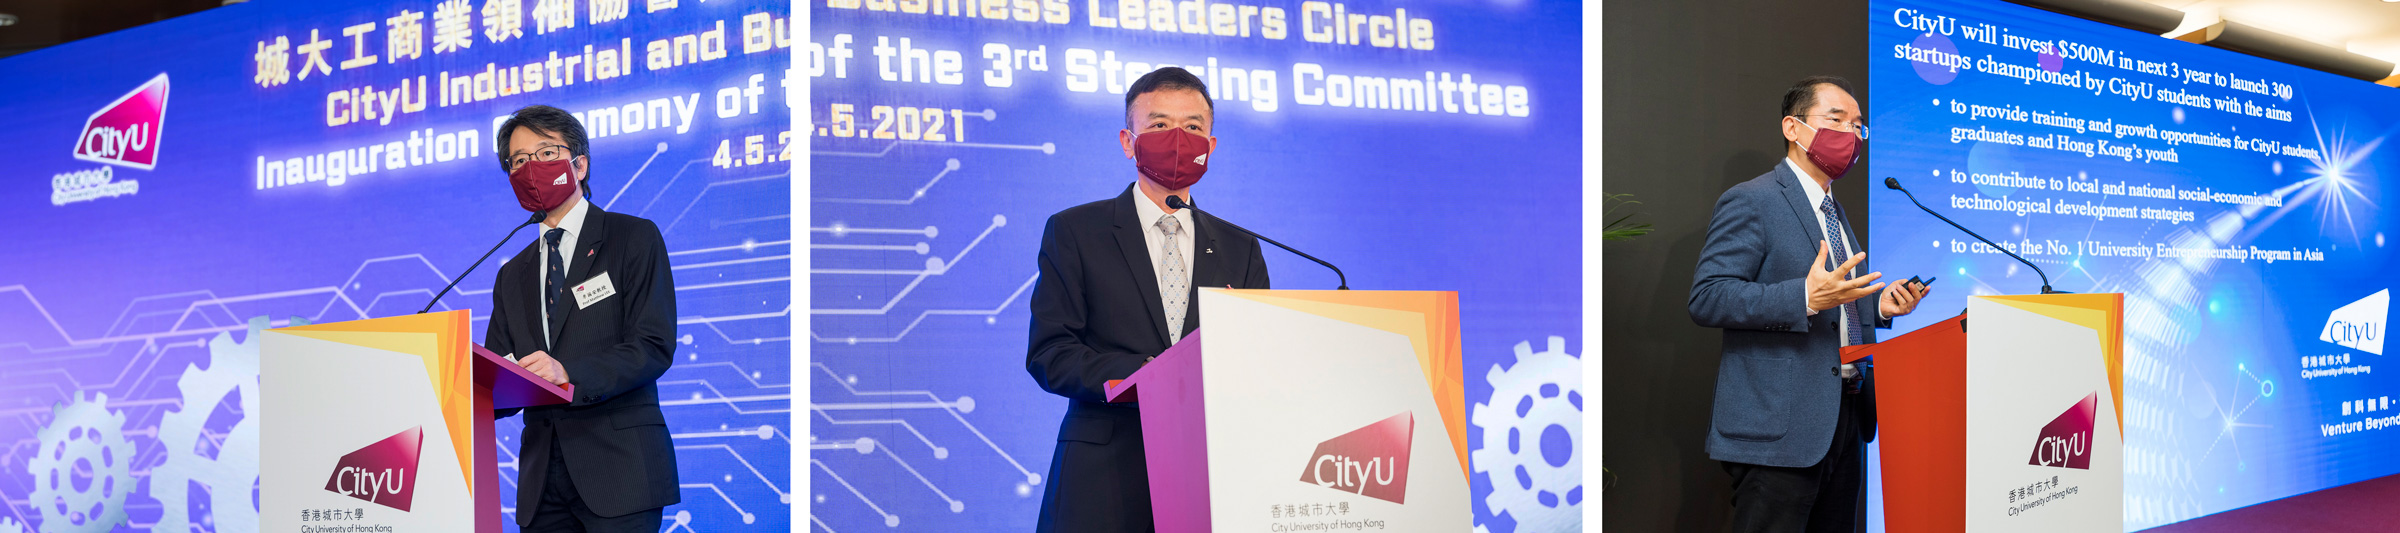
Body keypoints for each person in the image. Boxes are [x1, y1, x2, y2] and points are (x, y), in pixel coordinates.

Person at [1025, 67, 1272, 532]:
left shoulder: (1241, 246)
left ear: (1211, 146)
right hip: (1103, 482)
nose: (1178, 138)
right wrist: (1153, 374)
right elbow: (1050, 354)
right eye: (1159, 125)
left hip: (1211, 480)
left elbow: (1257, 360)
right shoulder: (1077, 231)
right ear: (1127, 141)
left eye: (1193, 128)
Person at [1688, 76, 1930, 532]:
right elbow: (1708, 296)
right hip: (1780, 428)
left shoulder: (1832, 212)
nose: (1851, 135)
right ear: (1793, 128)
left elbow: (1835, 301)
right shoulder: (1753, 200)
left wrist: (1879, 307)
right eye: (1836, 120)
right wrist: (1802, 297)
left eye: (1859, 126)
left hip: (1845, 418)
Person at [482, 104, 681, 532]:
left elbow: (653, 346)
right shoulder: (511, 274)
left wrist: (566, 372)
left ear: (580, 163)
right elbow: (497, 375)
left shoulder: (632, 237)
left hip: (621, 471)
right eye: (518, 161)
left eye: (546, 152)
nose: (531, 167)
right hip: (542, 485)